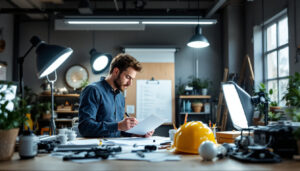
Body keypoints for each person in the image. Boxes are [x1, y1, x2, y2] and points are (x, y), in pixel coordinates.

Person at [78, 53, 154, 138]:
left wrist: (136, 133)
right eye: (128, 77)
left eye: (132, 79)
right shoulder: (93, 90)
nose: (130, 83)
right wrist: (118, 126)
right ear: (116, 71)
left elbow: (118, 131)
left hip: (115, 148)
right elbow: (84, 128)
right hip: (97, 148)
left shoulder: (120, 96)